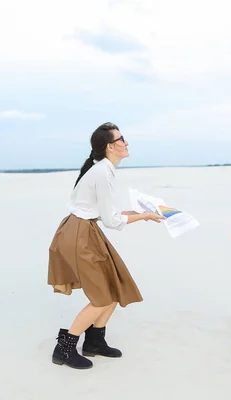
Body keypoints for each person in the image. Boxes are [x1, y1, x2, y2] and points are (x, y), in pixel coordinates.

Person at [47, 122, 165, 370]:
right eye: (122, 139)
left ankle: (94, 342)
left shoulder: (103, 169)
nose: (126, 143)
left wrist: (137, 211)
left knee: (112, 287)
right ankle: (64, 348)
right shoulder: (102, 172)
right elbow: (111, 220)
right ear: (110, 146)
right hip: (80, 233)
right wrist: (143, 217)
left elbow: (104, 212)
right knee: (101, 298)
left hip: (85, 229)